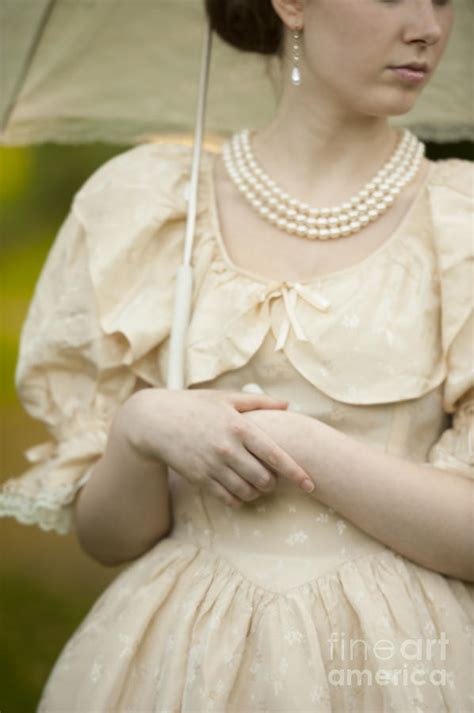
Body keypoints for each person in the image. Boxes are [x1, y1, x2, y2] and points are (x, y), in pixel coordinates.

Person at [1, 0, 473, 710]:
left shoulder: (460, 223)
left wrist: (289, 441)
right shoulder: (151, 206)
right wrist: (142, 426)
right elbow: (109, 538)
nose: (427, 27)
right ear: (291, 3)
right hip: (180, 658)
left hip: (391, 660)